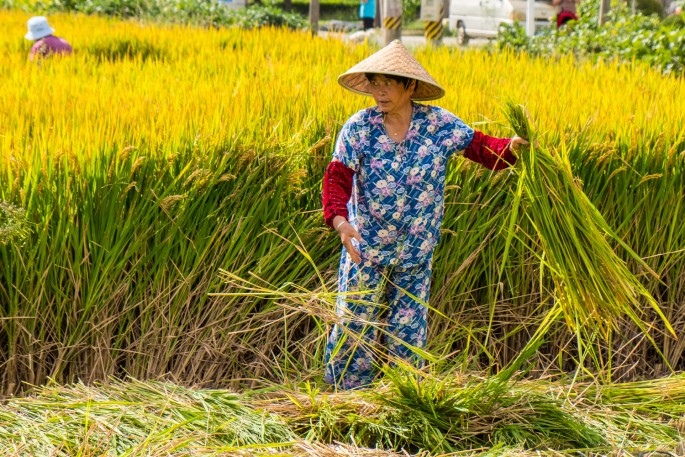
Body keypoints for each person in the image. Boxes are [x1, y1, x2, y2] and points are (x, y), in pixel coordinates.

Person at [321, 40, 527, 390]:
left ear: (410, 86)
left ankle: (403, 398)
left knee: (407, 333)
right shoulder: (359, 128)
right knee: (354, 325)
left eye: (389, 82)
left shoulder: (438, 125)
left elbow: (482, 148)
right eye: (375, 82)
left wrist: (511, 148)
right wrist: (341, 222)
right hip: (365, 249)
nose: (380, 91)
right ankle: (347, 400)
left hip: (416, 251)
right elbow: (337, 177)